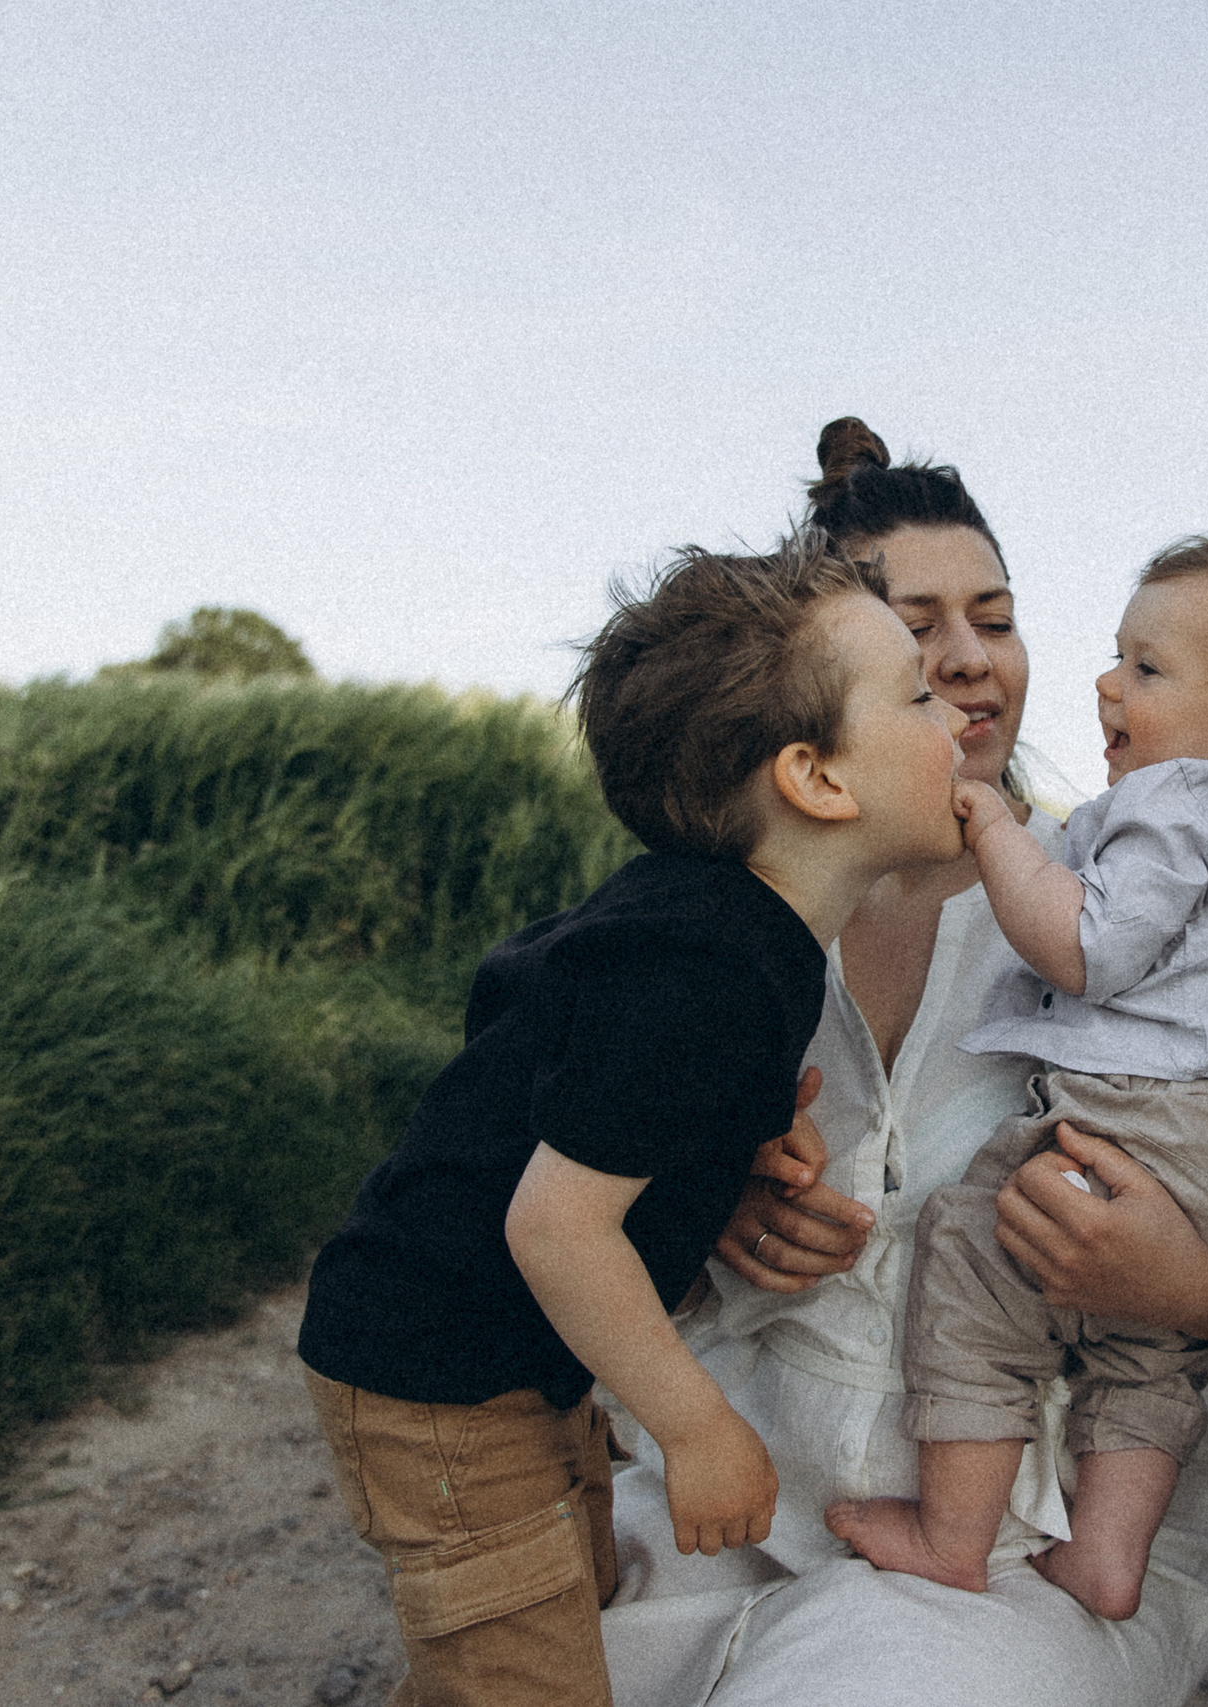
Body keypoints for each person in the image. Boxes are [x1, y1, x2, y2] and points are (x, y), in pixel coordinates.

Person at [598, 421, 1208, 1707]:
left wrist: (1194, 1283)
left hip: (1019, 1547)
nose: (968, 660)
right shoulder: (716, 921)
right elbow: (550, 1198)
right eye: (916, 627)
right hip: (722, 1500)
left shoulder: (1165, 898)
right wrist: (708, 1205)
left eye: (994, 618)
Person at [296, 537, 971, 1707]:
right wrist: (699, 1429)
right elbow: (557, 1228)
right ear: (816, 779)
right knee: (526, 1662)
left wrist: (724, 1149)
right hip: (442, 1374)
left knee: (546, 1618)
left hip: (510, 1366)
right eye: (915, 695)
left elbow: (549, 1050)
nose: (952, 716)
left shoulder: (725, 930)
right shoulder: (706, 967)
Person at [826, 538, 1208, 1621]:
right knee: (1155, 1358)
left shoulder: (1166, 808)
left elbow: (1088, 950)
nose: (1105, 684)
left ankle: (954, 1534)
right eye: (913, 633)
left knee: (975, 1258)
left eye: (1145, 668)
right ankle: (1107, 1554)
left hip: (1149, 1119)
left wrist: (995, 830)